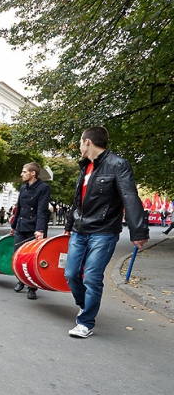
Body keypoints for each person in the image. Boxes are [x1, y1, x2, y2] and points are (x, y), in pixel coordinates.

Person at [64, 126, 148, 338]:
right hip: (79, 230)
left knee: (91, 276)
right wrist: (68, 224)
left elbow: (130, 196)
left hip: (103, 231)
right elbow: (77, 201)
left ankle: (85, 322)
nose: (80, 147)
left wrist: (138, 231)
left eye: (81, 142)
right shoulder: (85, 167)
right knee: (71, 273)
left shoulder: (118, 165)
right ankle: (84, 305)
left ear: (88, 142)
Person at [10, 162, 51, 300]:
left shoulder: (44, 188)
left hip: (35, 228)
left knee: (32, 258)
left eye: (24, 171)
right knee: (17, 255)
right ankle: (21, 280)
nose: (21, 174)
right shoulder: (23, 188)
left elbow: (42, 210)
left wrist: (39, 229)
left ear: (32, 173)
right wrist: (13, 226)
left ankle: (32, 288)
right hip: (21, 226)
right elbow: (19, 209)